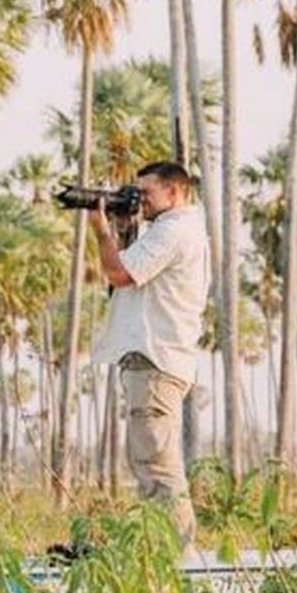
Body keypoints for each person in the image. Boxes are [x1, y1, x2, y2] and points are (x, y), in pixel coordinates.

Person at [89, 160, 210, 547]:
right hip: (158, 360)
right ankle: (167, 547)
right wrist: (124, 229)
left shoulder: (173, 230)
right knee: (150, 460)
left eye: (148, 193)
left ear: (175, 192)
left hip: (155, 361)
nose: (141, 200)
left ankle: (176, 552)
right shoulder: (170, 230)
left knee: (157, 465)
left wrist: (101, 232)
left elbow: (119, 274)